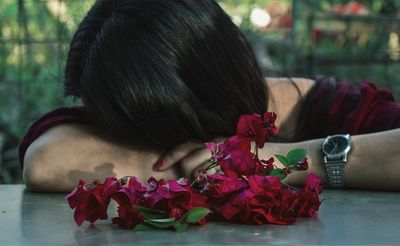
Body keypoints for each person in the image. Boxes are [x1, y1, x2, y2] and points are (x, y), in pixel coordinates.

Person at [20, 0, 400, 192]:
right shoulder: (143, 111)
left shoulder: (339, 110)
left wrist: (279, 161)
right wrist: (204, 163)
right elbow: (46, 162)